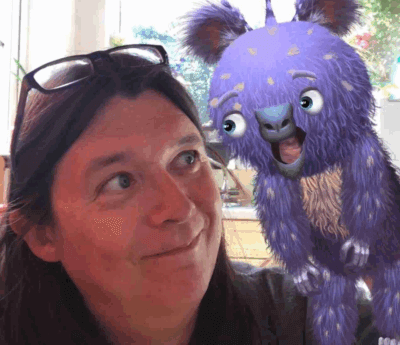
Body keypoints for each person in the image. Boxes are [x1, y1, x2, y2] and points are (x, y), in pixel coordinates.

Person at [0, 44, 383, 345]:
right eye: (119, 181)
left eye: (186, 158)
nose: (179, 207)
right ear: (43, 233)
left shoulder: (303, 317)